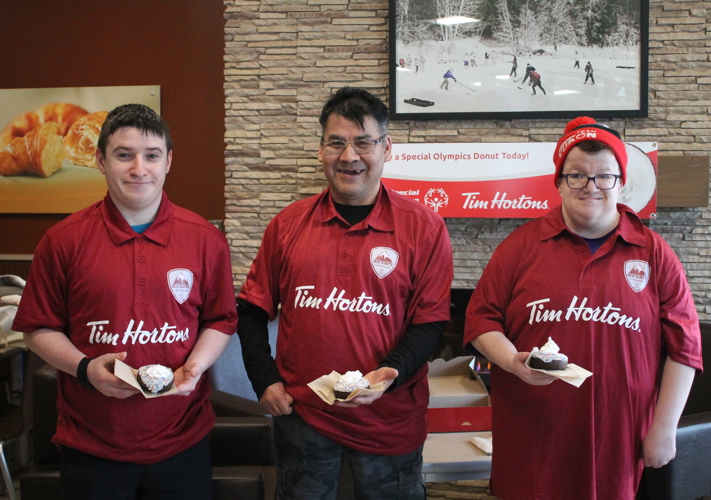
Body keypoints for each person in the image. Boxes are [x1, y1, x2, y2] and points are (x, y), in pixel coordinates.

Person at [464, 116, 703, 500]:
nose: (590, 186)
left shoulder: (655, 254)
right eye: (576, 175)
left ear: (621, 181)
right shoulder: (520, 247)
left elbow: (686, 349)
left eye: (603, 176)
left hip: (618, 438)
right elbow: (480, 319)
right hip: (533, 434)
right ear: (559, 181)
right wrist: (510, 361)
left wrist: (664, 427)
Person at [12, 104, 238, 500]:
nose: (139, 169)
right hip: (93, 446)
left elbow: (219, 319)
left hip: (181, 440)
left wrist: (195, 368)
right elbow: (38, 327)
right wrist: (84, 369)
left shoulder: (205, 238)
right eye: (123, 155)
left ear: (169, 161)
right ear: (100, 160)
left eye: (151, 155)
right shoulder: (62, 240)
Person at [237, 87, 453, 500]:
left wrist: (389, 373)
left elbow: (430, 322)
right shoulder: (287, 225)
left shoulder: (424, 227)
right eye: (336, 143)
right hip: (304, 420)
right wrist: (264, 381)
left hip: (390, 422)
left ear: (386, 148)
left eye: (363, 142)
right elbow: (250, 310)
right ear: (321, 150)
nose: (349, 156)